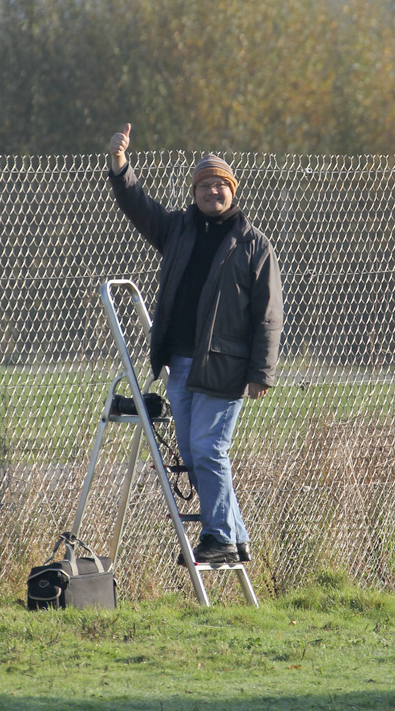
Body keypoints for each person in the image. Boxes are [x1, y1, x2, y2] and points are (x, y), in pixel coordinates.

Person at [106, 124, 283, 565]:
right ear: (195, 192)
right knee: (192, 451)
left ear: (233, 192)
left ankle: (219, 537)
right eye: (204, 185)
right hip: (180, 365)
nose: (212, 192)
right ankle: (235, 539)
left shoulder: (253, 245)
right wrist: (120, 165)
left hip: (226, 369)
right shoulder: (177, 230)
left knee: (208, 449)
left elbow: (268, 314)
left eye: (220, 185)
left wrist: (261, 372)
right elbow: (138, 207)